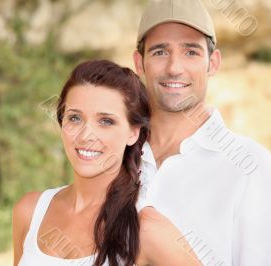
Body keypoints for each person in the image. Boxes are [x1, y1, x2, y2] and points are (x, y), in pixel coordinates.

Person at [133, 0, 271, 265]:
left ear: (213, 63)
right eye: (159, 52)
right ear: (139, 63)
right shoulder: (115, 154)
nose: (174, 67)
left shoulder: (252, 168)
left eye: (190, 52)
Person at [12, 60, 201, 266]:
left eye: (106, 121)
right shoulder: (30, 211)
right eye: (75, 118)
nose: (85, 136)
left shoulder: (145, 228)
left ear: (133, 133)